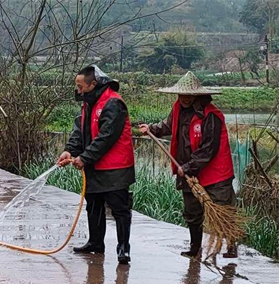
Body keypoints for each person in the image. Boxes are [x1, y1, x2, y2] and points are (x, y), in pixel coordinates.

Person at [139, 71, 237, 259]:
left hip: (215, 173)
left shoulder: (212, 115)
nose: (184, 99)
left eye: (188, 95)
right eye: (181, 95)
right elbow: (168, 126)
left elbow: (209, 148)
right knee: (192, 212)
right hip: (188, 172)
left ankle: (231, 246)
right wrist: (150, 129)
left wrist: (189, 166)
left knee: (223, 209)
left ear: (197, 95)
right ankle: (195, 247)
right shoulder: (177, 108)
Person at [57, 65, 135, 264]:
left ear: (94, 84)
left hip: (115, 168)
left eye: (81, 86)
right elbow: (80, 131)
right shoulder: (88, 103)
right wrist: (70, 150)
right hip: (94, 166)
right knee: (93, 206)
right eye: (77, 86)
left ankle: (123, 248)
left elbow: (106, 137)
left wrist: (85, 158)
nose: (79, 90)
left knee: (119, 209)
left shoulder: (114, 103)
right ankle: (95, 243)